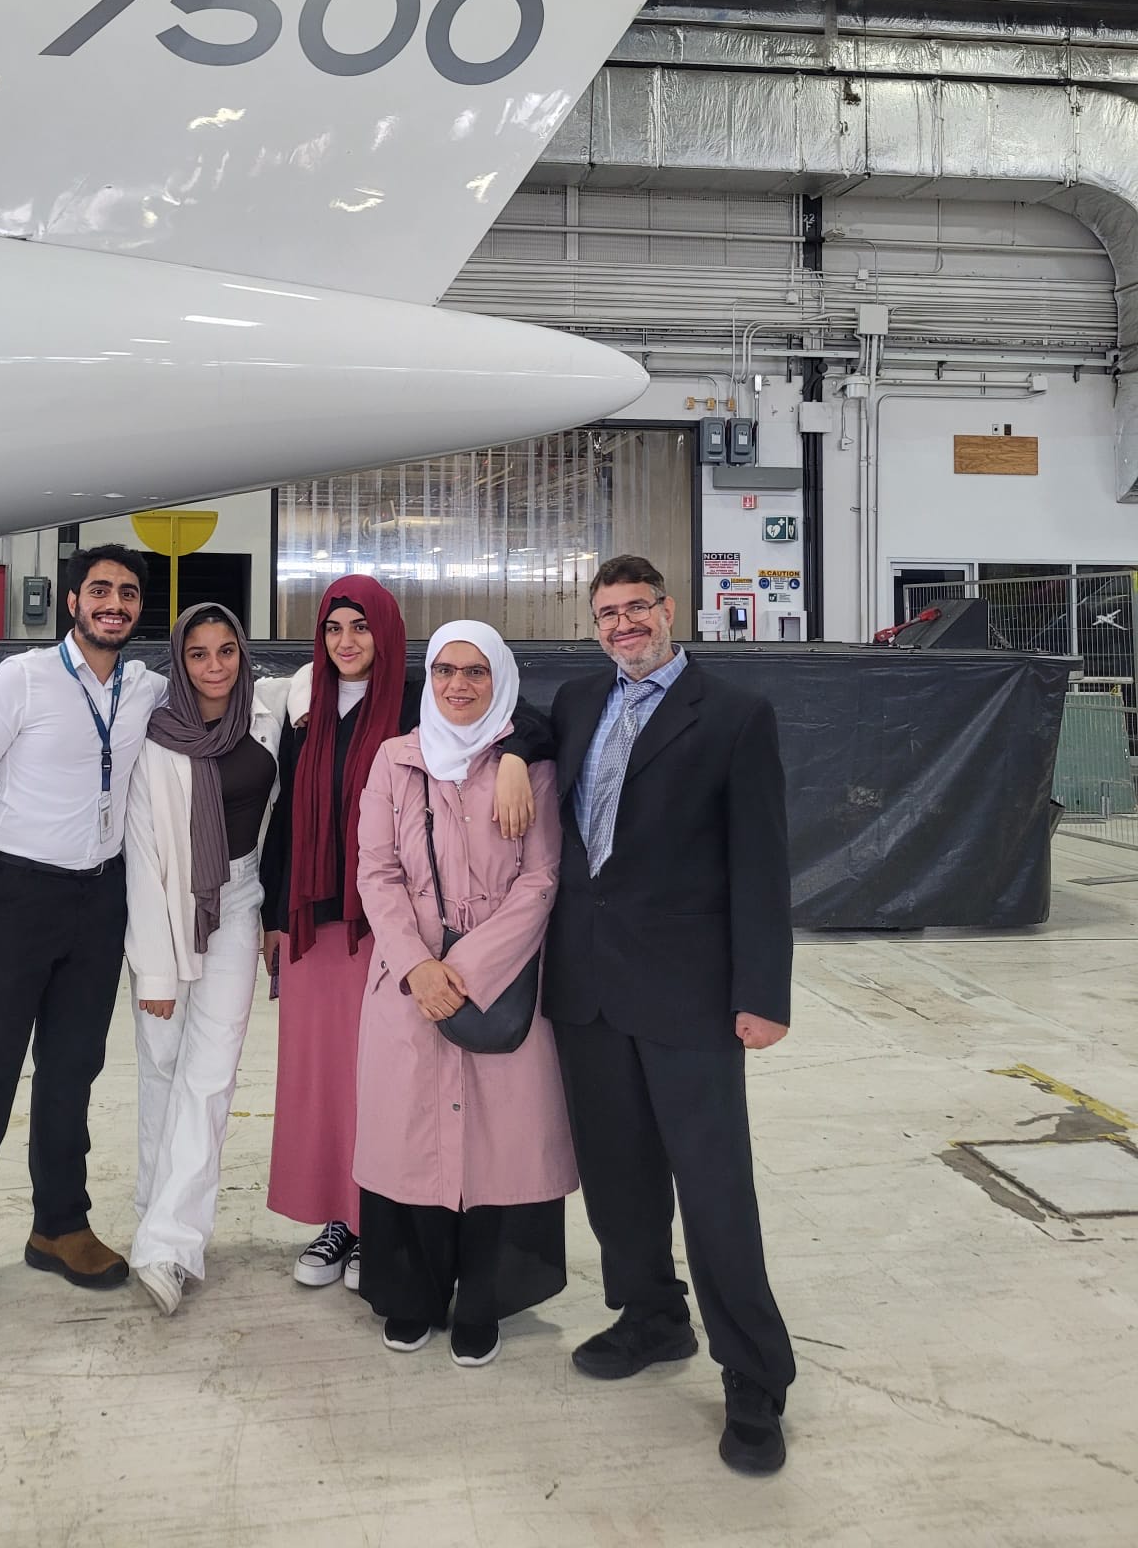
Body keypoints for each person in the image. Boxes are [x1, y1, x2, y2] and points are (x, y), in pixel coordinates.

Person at [540, 553, 795, 1473]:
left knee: (716, 1189)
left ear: (669, 609)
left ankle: (756, 1380)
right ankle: (651, 1317)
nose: (623, 625)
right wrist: (506, 760)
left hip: (690, 994)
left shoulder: (732, 716)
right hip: (589, 988)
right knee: (617, 1178)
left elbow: (763, 866)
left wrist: (763, 994)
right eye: (607, 613)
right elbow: (522, 740)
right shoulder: (574, 704)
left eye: (636, 608)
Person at [259, 575, 539, 1294]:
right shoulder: (305, 706)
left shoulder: (423, 702)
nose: (346, 642)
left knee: (386, 1087)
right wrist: (271, 915)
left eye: (360, 627)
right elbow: (287, 813)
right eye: (332, 629)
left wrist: (514, 758)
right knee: (322, 1081)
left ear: (386, 633)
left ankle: (380, 1219)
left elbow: (524, 717)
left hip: (389, 936)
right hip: (315, 921)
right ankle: (338, 1218)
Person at [0, 544, 167, 1334]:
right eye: (100, 590)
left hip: (99, 902)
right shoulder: (20, 680)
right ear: (71, 603)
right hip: (12, 897)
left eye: (127, 593)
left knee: (71, 1073)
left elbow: (236, 697)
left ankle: (59, 1225)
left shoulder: (149, 689)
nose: (114, 604)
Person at [353, 622, 574, 1366]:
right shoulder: (394, 760)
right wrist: (418, 965)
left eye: (476, 672)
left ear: (499, 677)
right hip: (407, 984)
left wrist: (470, 970)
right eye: (445, 670)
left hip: (501, 979)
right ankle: (412, 1294)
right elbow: (376, 872)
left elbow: (542, 876)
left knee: (498, 1146)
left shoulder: (527, 766)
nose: (458, 685)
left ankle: (484, 1300)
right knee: (408, 1142)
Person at [123, 603, 288, 1316]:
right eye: (199, 653)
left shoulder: (270, 706)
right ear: (179, 661)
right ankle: (152, 1211)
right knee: (162, 1066)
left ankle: (170, 1244)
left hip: (239, 899)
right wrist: (156, 970)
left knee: (211, 1073)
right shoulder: (155, 734)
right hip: (167, 908)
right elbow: (142, 859)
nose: (216, 666)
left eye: (228, 650)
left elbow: (365, 678)